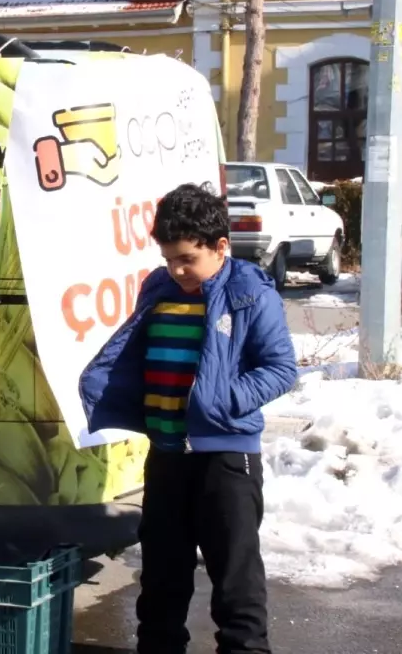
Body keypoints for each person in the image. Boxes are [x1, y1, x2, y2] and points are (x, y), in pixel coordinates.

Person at [78, 182, 297, 654]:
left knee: (235, 583)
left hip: (226, 461)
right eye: (169, 258)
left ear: (221, 247)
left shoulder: (250, 294)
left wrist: (221, 402)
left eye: (187, 259)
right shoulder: (159, 288)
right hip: (167, 456)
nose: (177, 270)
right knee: (160, 582)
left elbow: (281, 369)